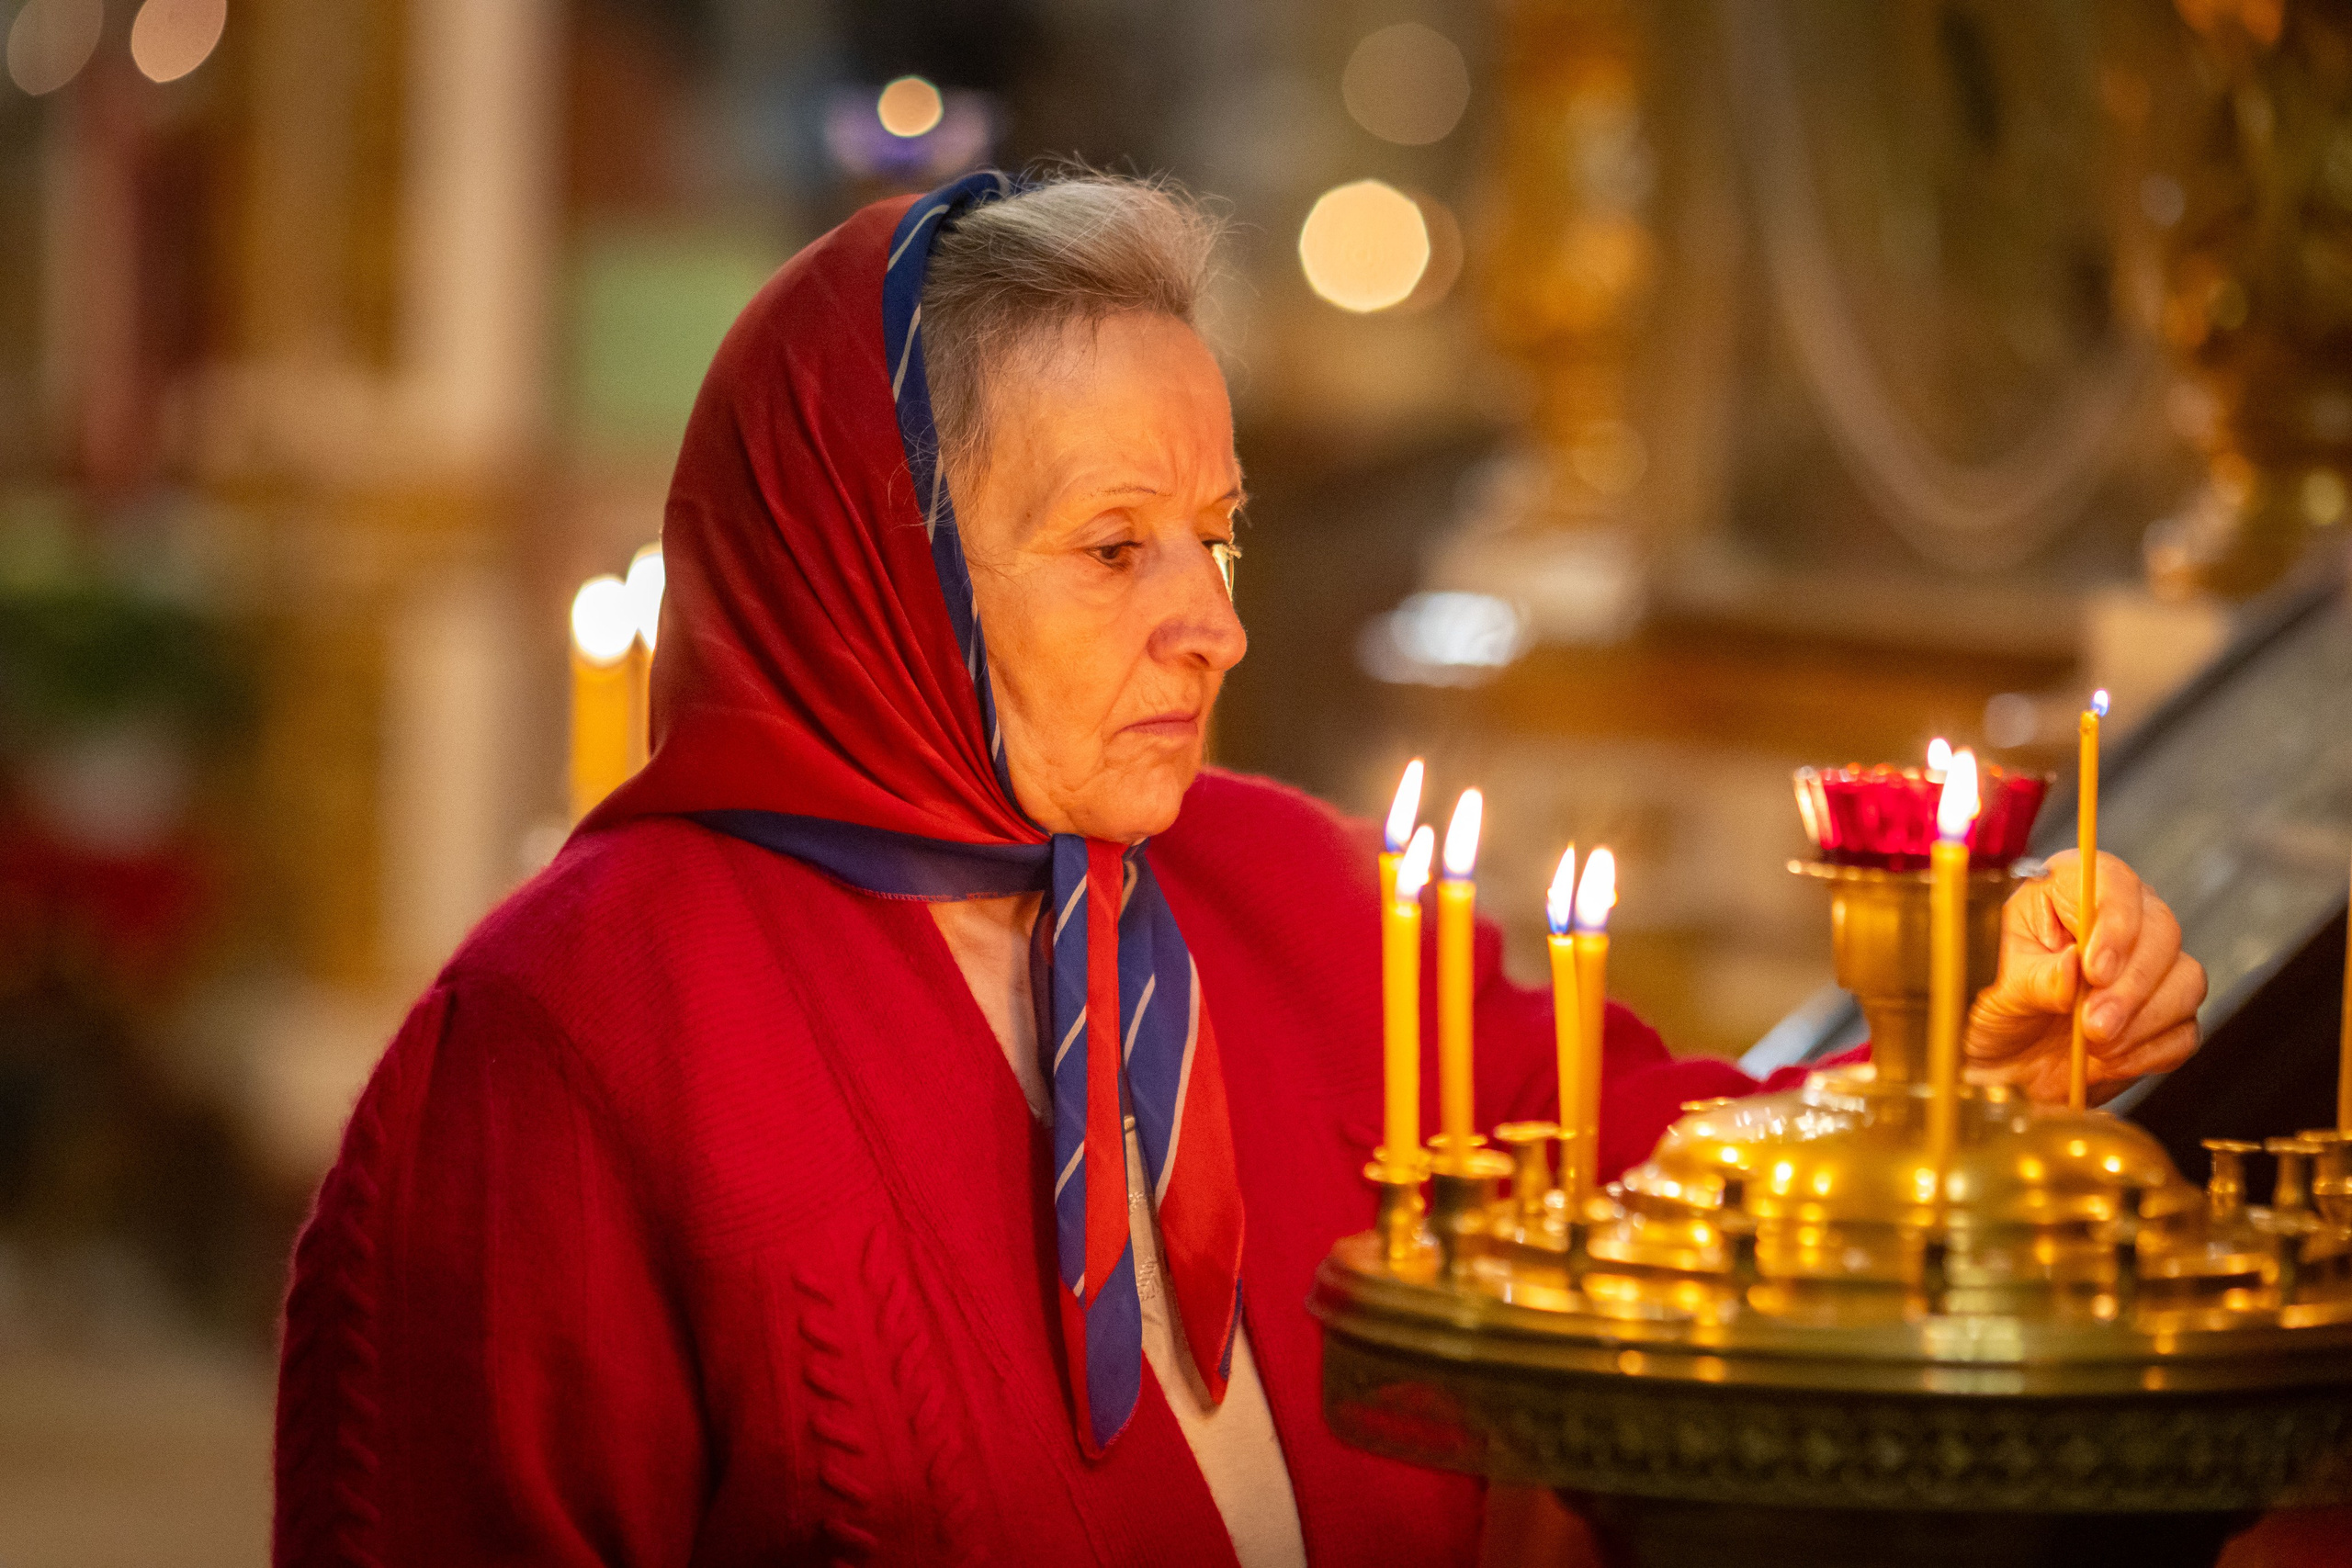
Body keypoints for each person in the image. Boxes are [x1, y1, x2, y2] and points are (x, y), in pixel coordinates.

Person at [271, 170, 2205, 1568]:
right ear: (880, 564)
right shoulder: (571, 1039)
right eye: (1117, 549)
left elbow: (1658, 1181)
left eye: (1221, 537)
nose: (1214, 625)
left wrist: (1966, 1074)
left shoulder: (1278, 889)